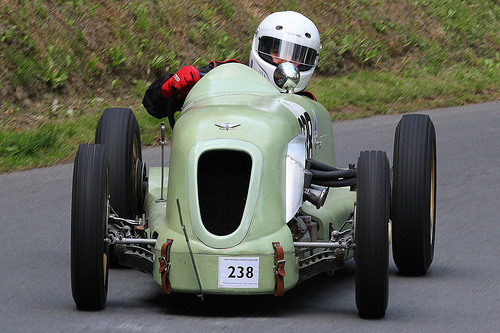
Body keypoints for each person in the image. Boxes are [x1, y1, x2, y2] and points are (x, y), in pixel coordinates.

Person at [142, 11, 322, 119]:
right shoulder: (223, 74)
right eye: (278, 52)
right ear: (260, 45)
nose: (286, 62)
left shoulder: (308, 107)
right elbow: (152, 106)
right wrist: (170, 87)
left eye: (297, 56)